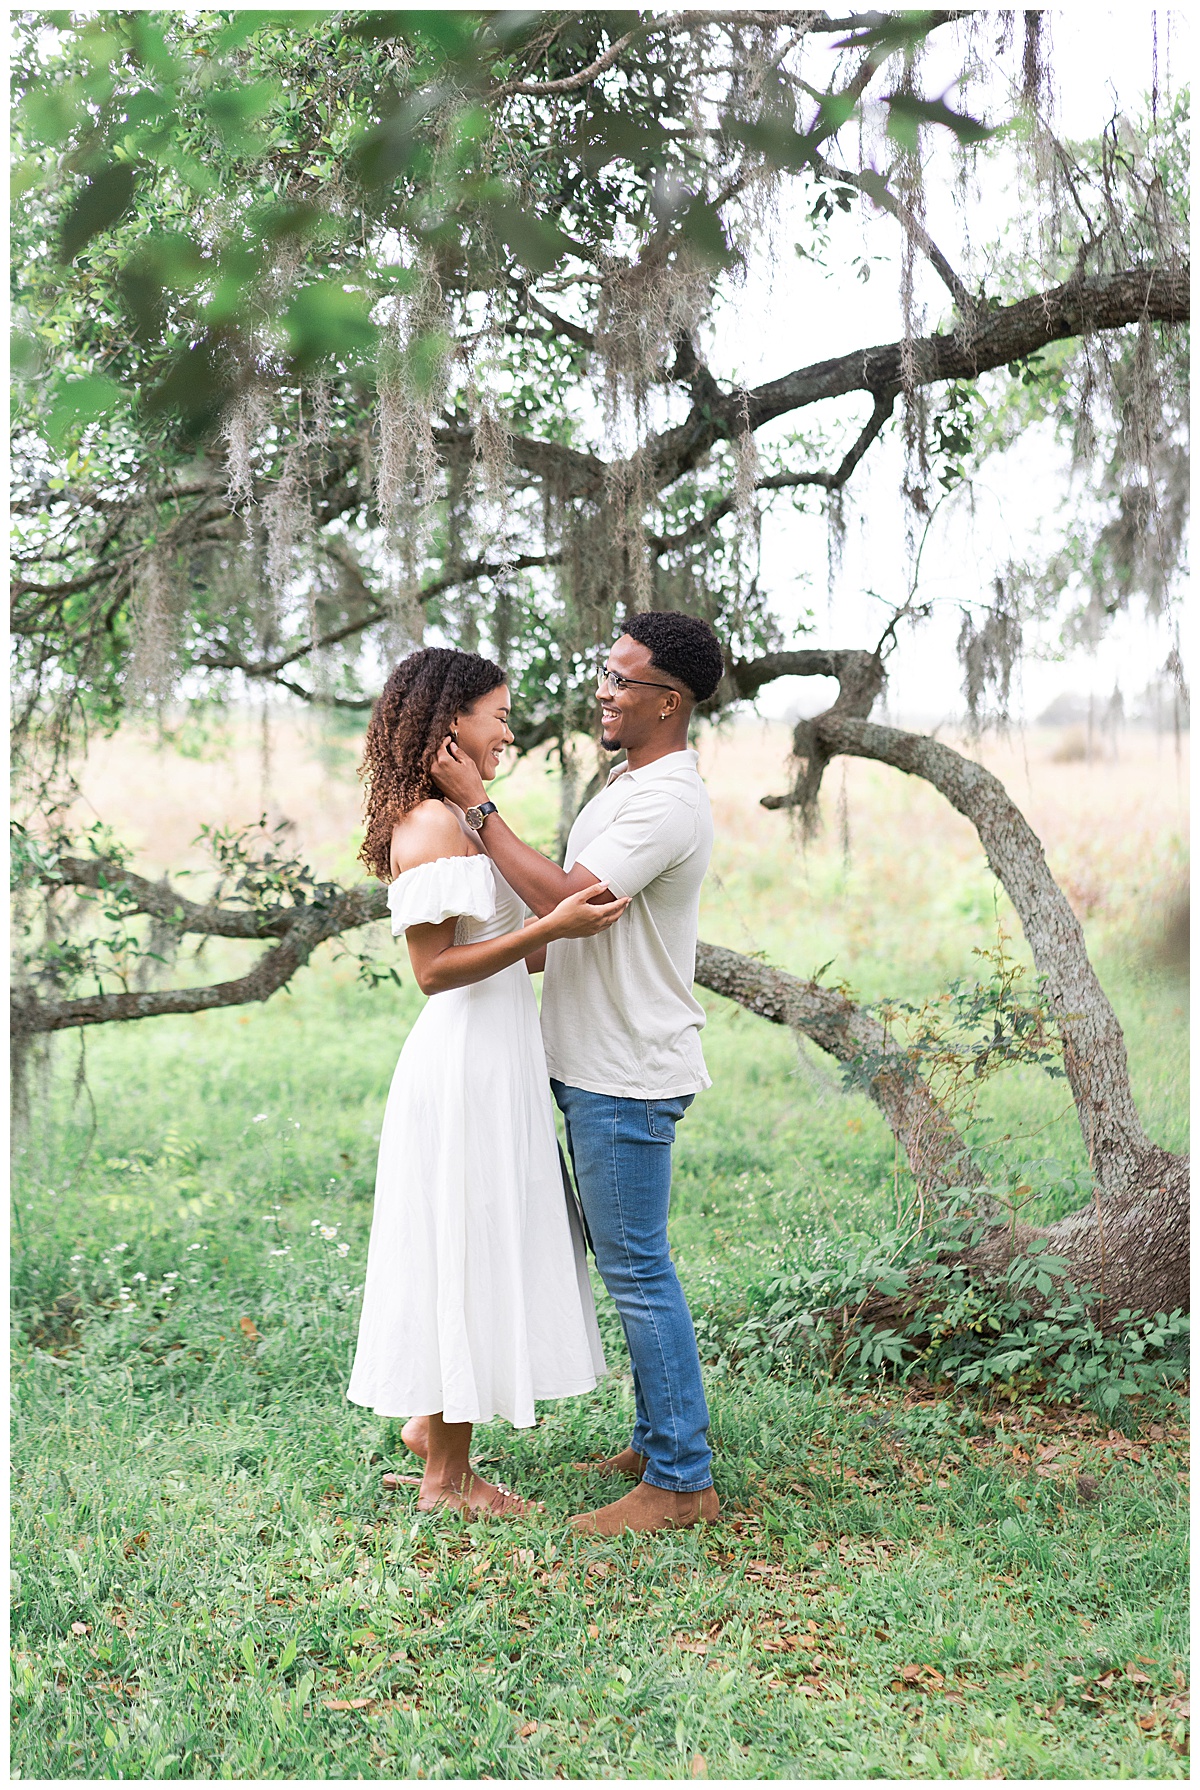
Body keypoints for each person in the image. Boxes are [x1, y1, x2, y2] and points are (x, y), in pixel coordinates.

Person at [432, 611, 725, 1535]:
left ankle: (681, 1480)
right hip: (593, 1059)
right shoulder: (627, 782)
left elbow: (573, 901)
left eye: (620, 678)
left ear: (667, 702)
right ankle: (654, 1436)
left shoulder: (664, 799)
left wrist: (478, 809)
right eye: (605, 672)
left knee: (638, 1269)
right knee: (626, 1260)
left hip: (627, 1070)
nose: (602, 690)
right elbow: (561, 925)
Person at [346, 647, 628, 1518]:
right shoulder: (429, 827)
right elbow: (434, 970)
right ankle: (449, 1483)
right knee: (461, 1249)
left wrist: (550, 913)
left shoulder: (461, 819)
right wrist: (549, 920)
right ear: (450, 722)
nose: (508, 729)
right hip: (462, 1061)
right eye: (497, 714)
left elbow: (533, 947)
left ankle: (433, 1430)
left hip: (498, 1053)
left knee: (465, 1242)